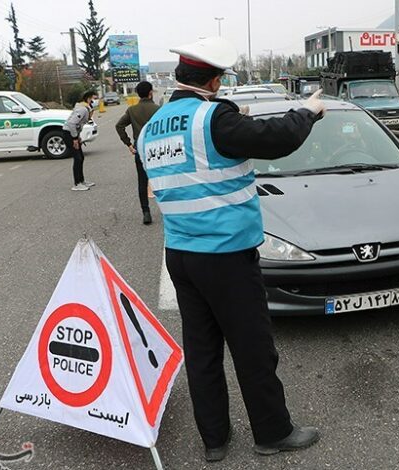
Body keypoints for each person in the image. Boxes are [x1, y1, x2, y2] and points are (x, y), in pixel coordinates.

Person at [138, 37, 326, 462]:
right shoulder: (214, 119)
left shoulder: (154, 126)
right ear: (216, 80)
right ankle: (272, 433)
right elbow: (276, 138)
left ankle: (215, 441)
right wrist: (307, 112)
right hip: (225, 256)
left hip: (180, 255)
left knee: (202, 351)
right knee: (253, 348)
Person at [115, 81, 159, 224]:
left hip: (140, 149)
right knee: (162, 179)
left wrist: (128, 143)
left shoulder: (132, 110)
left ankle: (146, 213)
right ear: (150, 92)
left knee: (142, 181)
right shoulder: (158, 109)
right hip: (157, 150)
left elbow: (119, 125)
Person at [63, 90, 97, 191]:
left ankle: (82, 181)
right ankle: (77, 184)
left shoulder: (84, 108)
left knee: (81, 157)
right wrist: (74, 139)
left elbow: (78, 125)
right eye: (93, 99)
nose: (94, 101)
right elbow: (72, 124)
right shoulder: (82, 109)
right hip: (68, 134)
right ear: (88, 99)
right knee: (77, 158)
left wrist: (77, 136)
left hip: (73, 134)